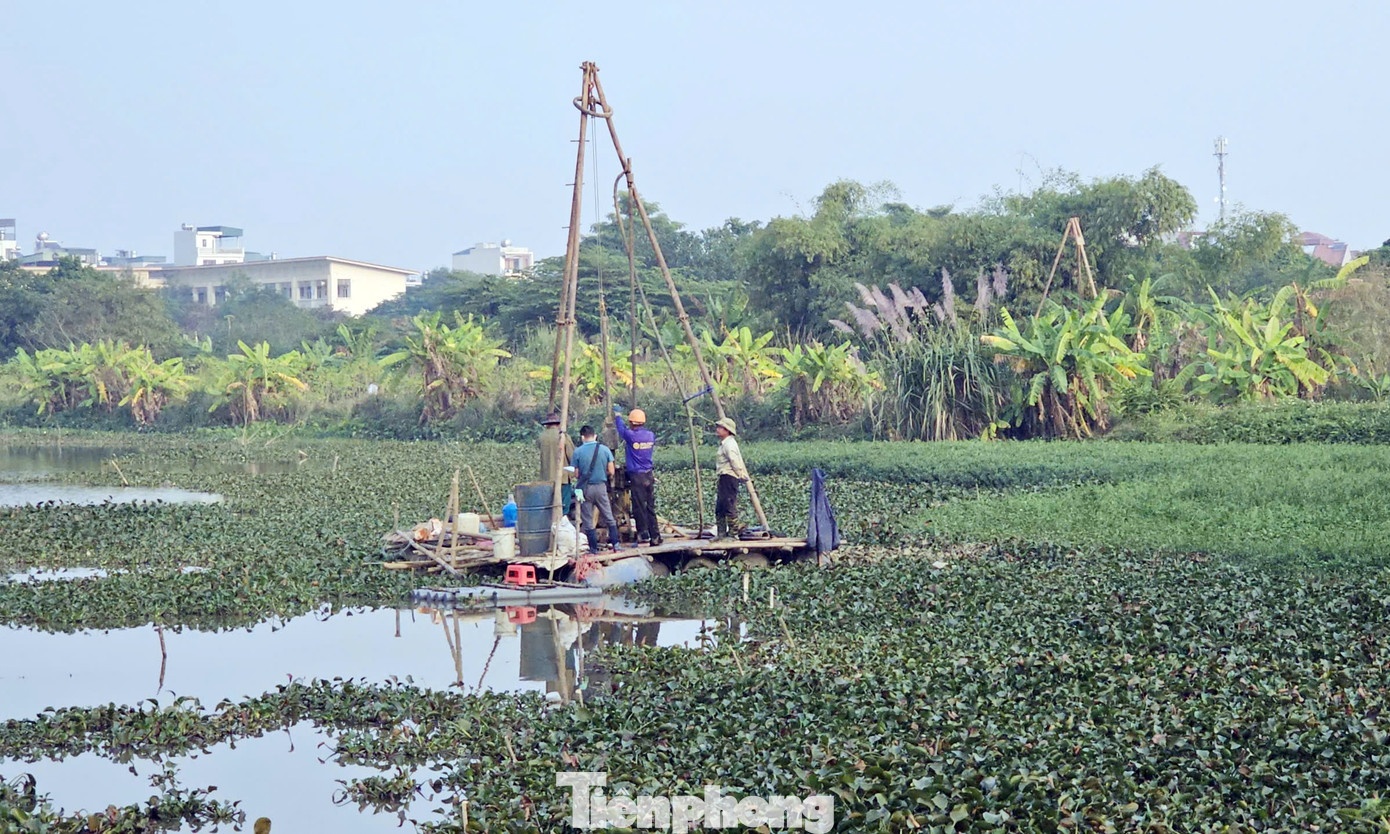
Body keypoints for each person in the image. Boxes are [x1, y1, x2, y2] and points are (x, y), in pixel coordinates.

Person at [570, 425, 622, 554]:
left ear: (582, 437)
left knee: (587, 519)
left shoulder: (577, 452)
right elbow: (611, 470)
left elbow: (576, 474)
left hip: (583, 489)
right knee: (608, 516)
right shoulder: (604, 450)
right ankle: (616, 545)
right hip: (600, 487)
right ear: (595, 436)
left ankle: (593, 549)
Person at [613, 406, 661, 546]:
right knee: (650, 506)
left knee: (639, 507)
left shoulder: (631, 435)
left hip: (637, 476)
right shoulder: (650, 435)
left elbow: (621, 429)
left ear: (632, 422)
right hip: (648, 475)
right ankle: (656, 536)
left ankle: (643, 535)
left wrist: (617, 416)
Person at [713, 417, 750, 539]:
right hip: (724, 477)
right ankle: (721, 534)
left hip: (730, 477)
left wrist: (740, 474)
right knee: (720, 506)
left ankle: (733, 535)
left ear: (727, 430)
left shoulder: (729, 444)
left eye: (721, 428)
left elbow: (735, 461)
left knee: (729, 505)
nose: (718, 429)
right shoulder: (724, 444)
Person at [537, 412, 575, 518]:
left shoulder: (542, 437)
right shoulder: (562, 436)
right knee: (563, 505)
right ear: (558, 424)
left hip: (546, 477)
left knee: (549, 504)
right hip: (562, 477)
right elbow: (572, 456)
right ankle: (562, 524)